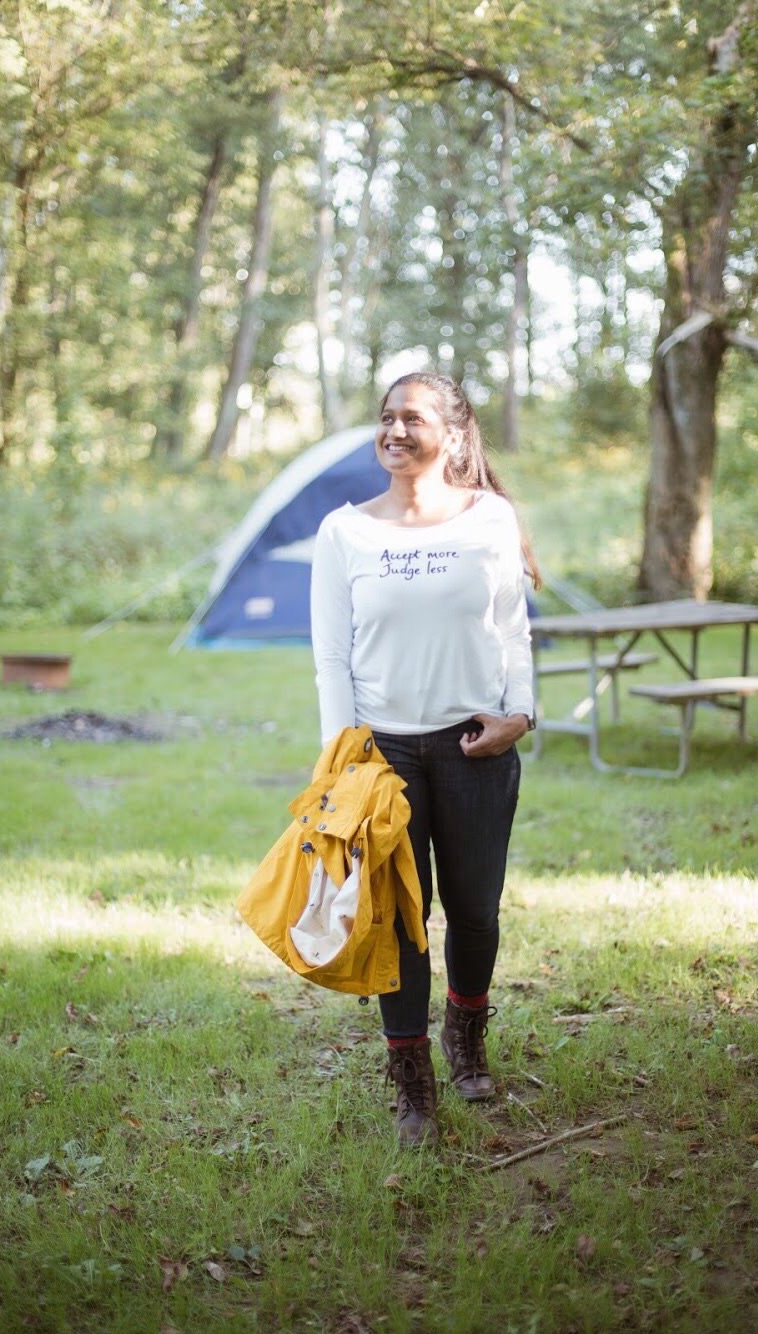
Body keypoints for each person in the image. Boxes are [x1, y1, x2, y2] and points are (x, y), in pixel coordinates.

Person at [310, 370, 540, 1147]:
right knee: (401, 921)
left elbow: (513, 630)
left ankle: (466, 1037)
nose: (395, 431)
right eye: (386, 418)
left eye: (412, 418)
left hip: (477, 745)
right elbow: (330, 658)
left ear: (454, 433)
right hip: (382, 758)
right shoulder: (345, 532)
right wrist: (345, 757)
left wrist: (521, 716)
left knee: (473, 910)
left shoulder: (490, 518)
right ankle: (412, 1081)